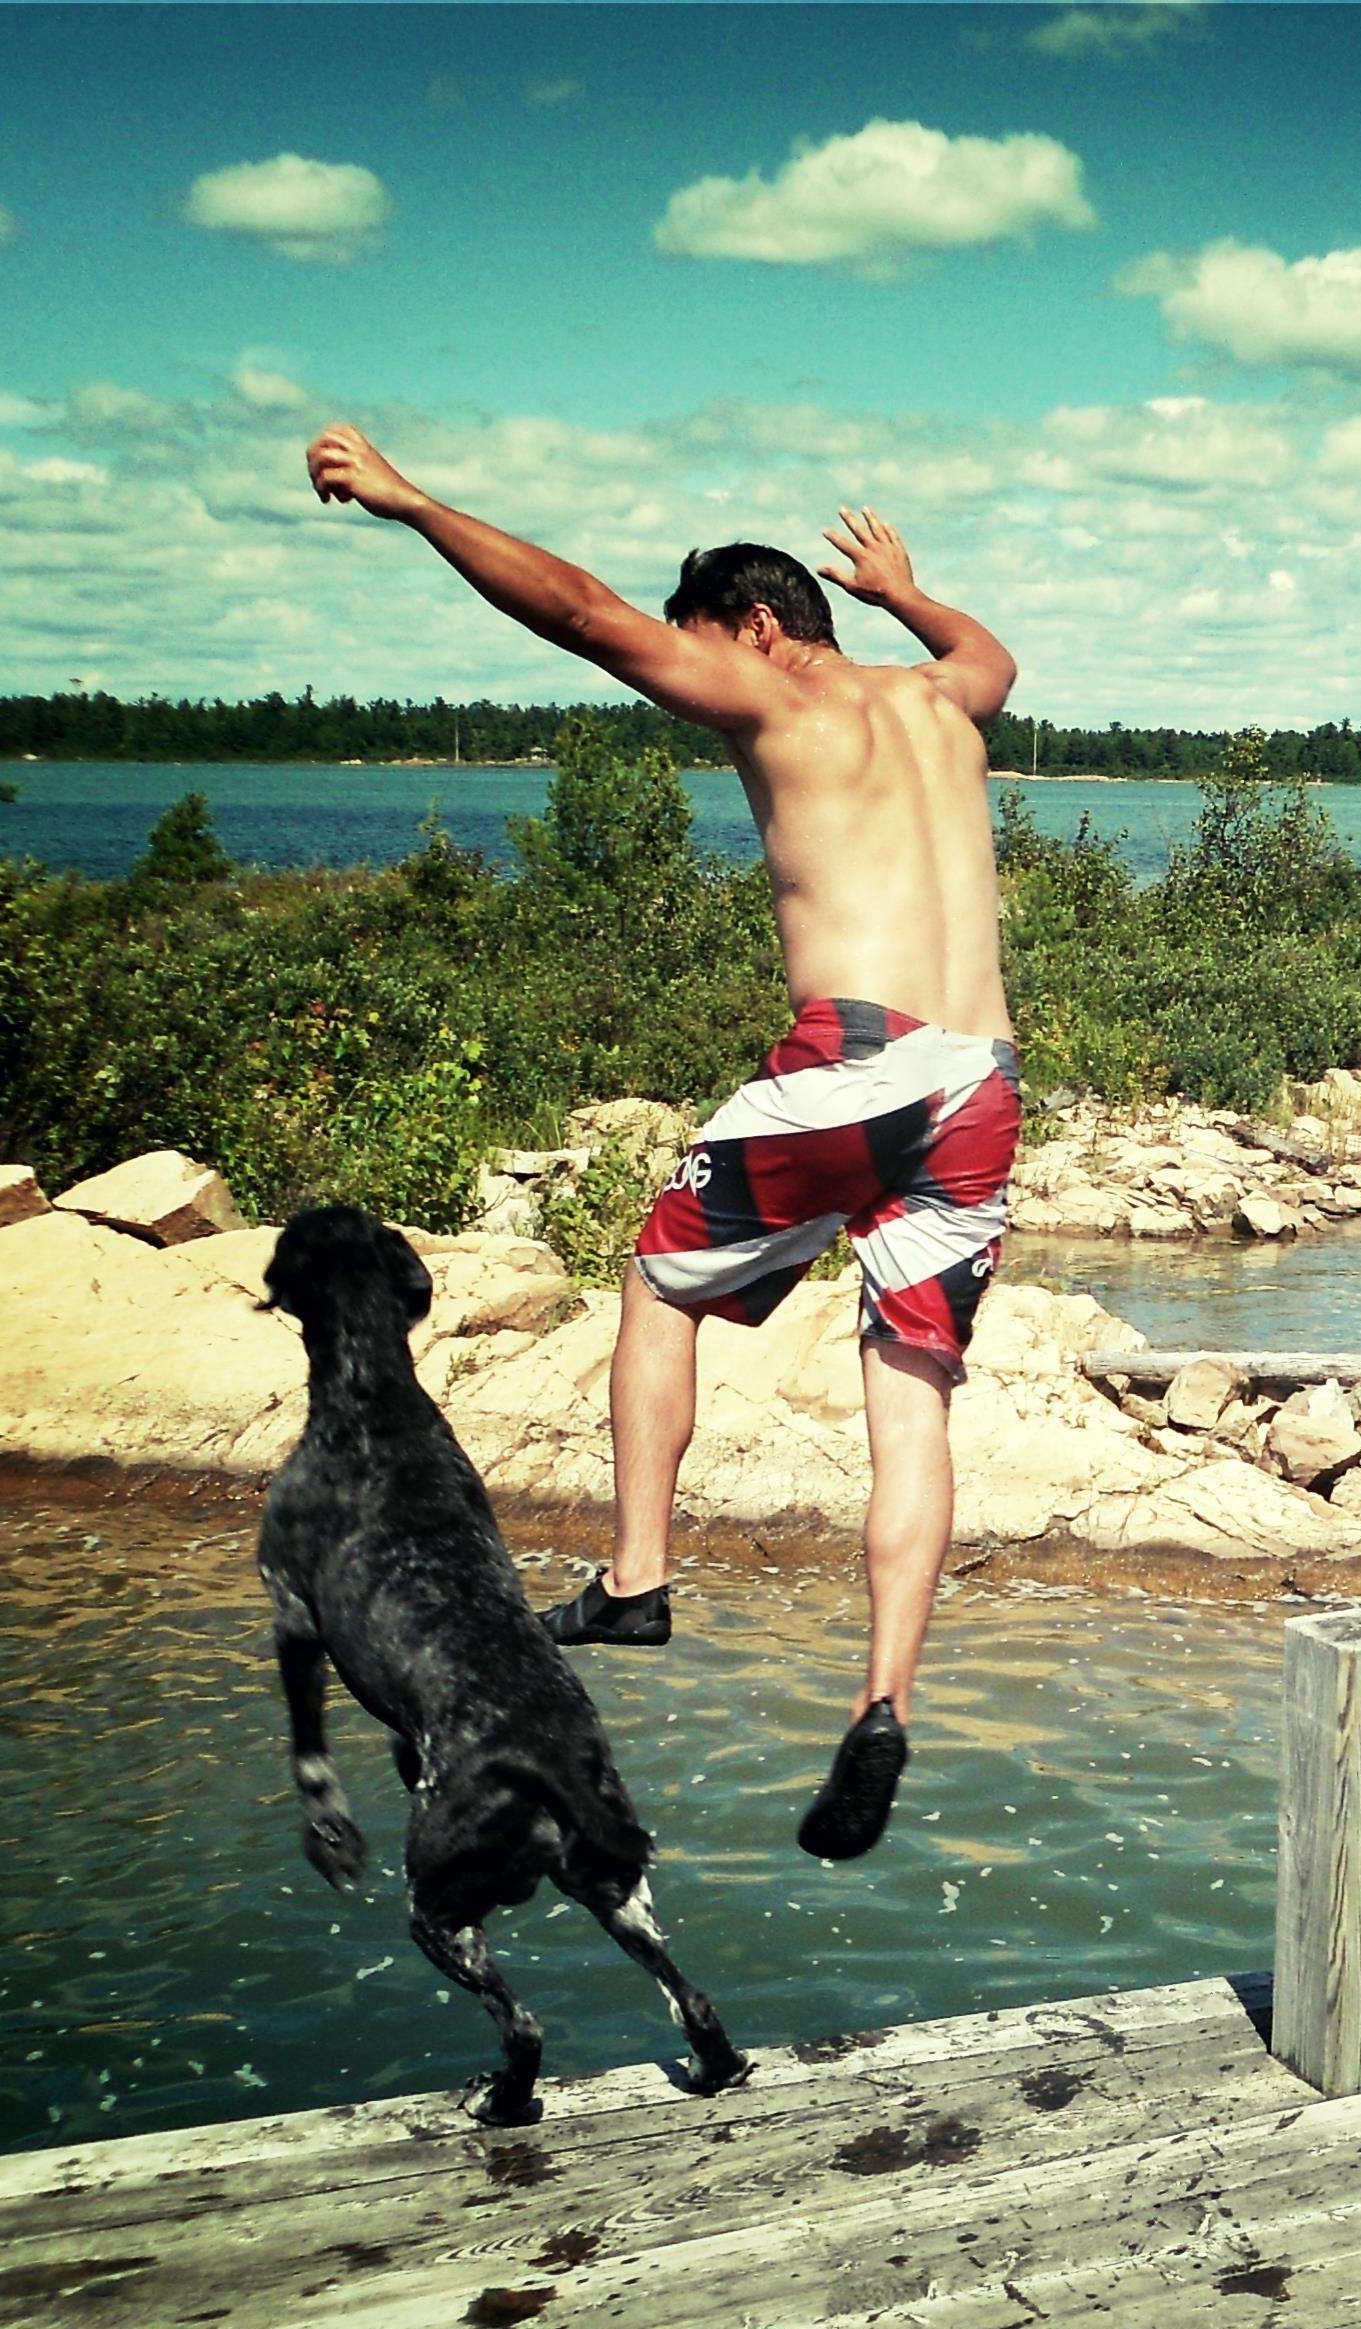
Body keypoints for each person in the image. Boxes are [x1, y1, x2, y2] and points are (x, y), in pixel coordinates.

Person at [306, 422, 1019, 1863]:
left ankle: (637, 1578)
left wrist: (412, 500)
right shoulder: (942, 701)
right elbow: (992, 654)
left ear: (756, 630)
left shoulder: (780, 703)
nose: (698, 684)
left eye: (712, 649)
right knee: (914, 1397)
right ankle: (883, 1706)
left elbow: (579, 611)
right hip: (983, 1086)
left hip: (859, 1064)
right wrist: (906, 589)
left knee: (655, 1277)